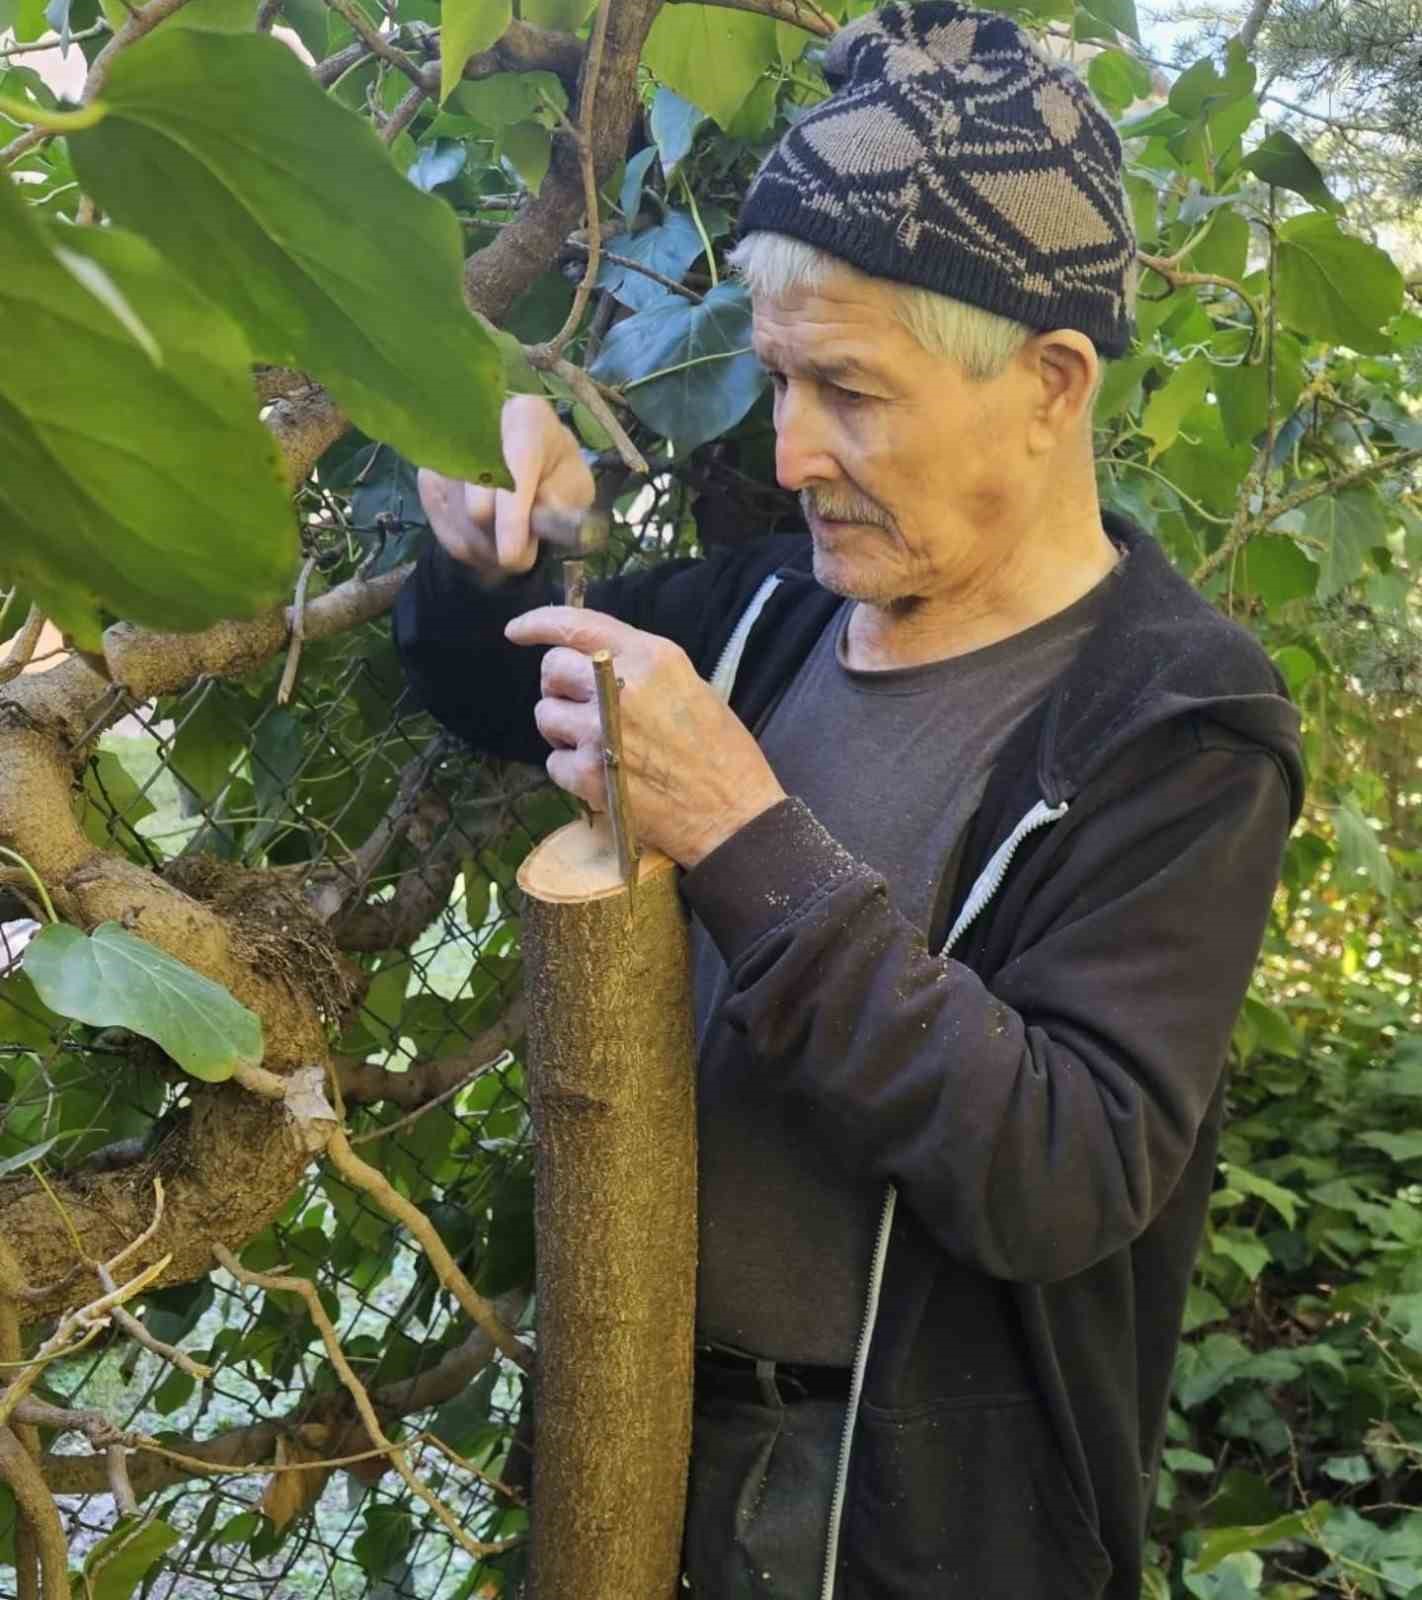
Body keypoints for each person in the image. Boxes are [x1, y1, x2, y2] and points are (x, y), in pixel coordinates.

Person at [394, 3, 1304, 1594]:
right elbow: (496, 693)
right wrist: (494, 560)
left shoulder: (1176, 729)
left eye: (854, 392)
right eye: (777, 381)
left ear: (1048, 382)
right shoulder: (772, 615)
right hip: (641, 1426)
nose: (794, 451)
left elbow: (1062, 1170)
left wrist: (745, 842)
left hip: (909, 1509)